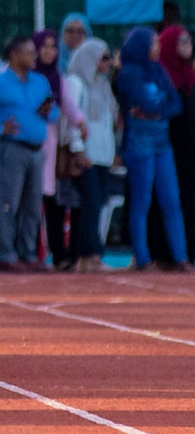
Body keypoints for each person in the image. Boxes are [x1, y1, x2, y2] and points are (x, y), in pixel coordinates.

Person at [0, 36, 58, 272]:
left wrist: (47, 111)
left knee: (33, 205)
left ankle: (27, 252)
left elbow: (53, 111)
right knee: (8, 202)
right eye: (28, 52)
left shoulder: (40, 81)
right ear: (14, 55)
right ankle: (6, 253)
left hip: (36, 149)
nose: (34, 57)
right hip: (12, 148)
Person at [115, 27, 190, 271]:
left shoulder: (158, 70)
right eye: (153, 43)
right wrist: (157, 108)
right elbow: (142, 100)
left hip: (161, 141)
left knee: (171, 199)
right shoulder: (129, 72)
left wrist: (154, 112)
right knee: (141, 201)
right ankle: (143, 258)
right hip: (139, 142)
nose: (157, 48)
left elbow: (175, 103)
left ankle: (181, 257)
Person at [35, 29, 89, 269]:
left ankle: (56, 256)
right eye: (43, 46)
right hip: (26, 143)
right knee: (27, 202)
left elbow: (69, 106)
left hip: (50, 145)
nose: (48, 51)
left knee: (50, 201)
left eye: (52, 47)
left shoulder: (58, 79)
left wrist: (80, 123)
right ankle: (27, 254)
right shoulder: (23, 76)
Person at [64, 37, 117, 272]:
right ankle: (90, 254)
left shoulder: (102, 84)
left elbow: (108, 123)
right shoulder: (76, 82)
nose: (108, 63)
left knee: (96, 205)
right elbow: (71, 118)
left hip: (102, 155)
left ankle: (86, 256)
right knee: (91, 204)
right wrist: (77, 149)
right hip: (86, 154)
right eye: (104, 58)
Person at [159, 25, 195, 264]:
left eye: (188, 42)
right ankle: (167, 253)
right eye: (180, 42)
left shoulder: (190, 75)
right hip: (168, 149)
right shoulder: (163, 77)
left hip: (190, 151)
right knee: (172, 199)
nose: (186, 47)